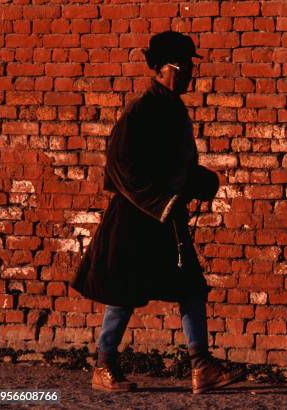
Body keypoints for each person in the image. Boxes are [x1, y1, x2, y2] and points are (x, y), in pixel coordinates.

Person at [70, 31, 244, 393]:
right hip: (135, 218)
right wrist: (163, 200)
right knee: (123, 293)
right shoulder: (142, 108)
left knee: (191, 289)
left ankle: (202, 366)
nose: (189, 74)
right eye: (182, 66)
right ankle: (104, 366)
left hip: (167, 219)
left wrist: (197, 181)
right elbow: (120, 166)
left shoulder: (171, 107)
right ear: (162, 69)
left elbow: (169, 164)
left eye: (190, 66)